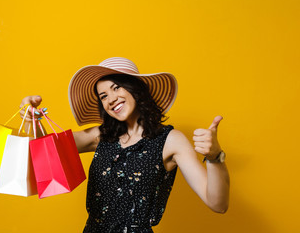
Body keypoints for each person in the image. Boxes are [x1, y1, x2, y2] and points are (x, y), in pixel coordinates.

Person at [20, 57, 230, 233]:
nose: (111, 99)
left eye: (116, 88)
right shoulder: (101, 135)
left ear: (135, 89)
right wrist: (32, 120)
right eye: (103, 96)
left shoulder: (170, 140)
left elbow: (218, 204)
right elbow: (46, 150)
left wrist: (215, 158)